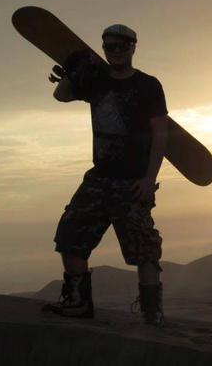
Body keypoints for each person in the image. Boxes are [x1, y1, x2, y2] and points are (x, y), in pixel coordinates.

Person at [41, 24, 168, 326]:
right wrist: (71, 73)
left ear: (133, 47)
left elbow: (161, 133)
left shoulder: (148, 85)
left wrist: (149, 179)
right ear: (104, 49)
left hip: (132, 180)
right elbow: (60, 96)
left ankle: (153, 312)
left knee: (144, 249)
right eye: (109, 47)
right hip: (99, 177)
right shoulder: (96, 81)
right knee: (70, 238)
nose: (116, 51)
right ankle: (78, 303)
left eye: (122, 46)